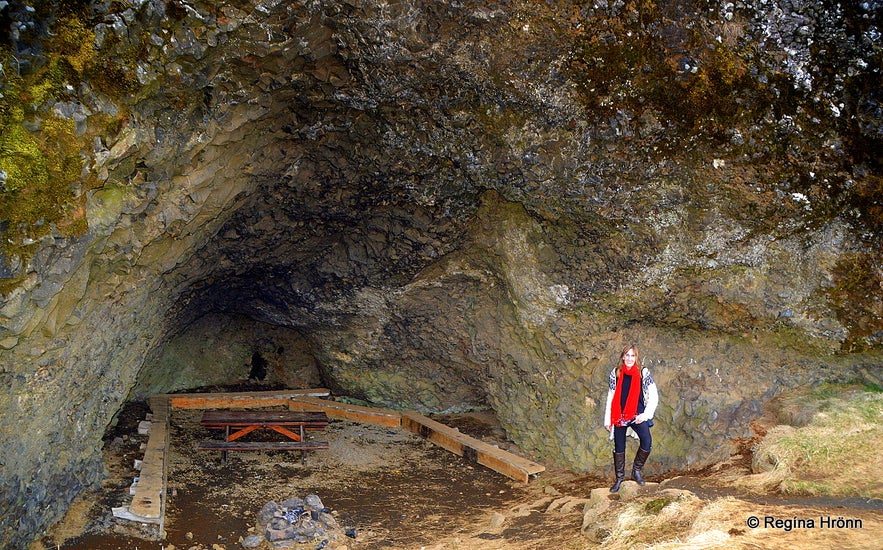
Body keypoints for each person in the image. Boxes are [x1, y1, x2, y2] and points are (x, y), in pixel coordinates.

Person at [603, 344, 658, 492]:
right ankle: (619, 478)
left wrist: (645, 415)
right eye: (627, 355)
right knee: (619, 446)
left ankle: (636, 471)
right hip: (619, 414)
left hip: (637, 414)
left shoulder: (642, 373)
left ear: (636, 357)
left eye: (632, 355)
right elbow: (611, 395)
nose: (629, 358)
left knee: (647, 441)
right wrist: (608, 419)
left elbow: (653, 396)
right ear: (622, 357)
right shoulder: (616, 373)